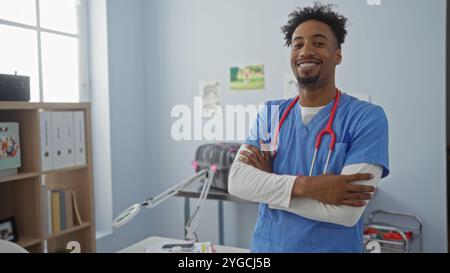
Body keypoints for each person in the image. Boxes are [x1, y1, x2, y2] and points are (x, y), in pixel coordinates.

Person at [228, 3, 389, 253]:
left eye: (319, 43)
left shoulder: (366, 117)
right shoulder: (272, 114)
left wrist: (268, 189)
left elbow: (346, 212)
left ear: (338, 55)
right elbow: (238, 182)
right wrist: (309, 187)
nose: (306, 51)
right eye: (298, 44)